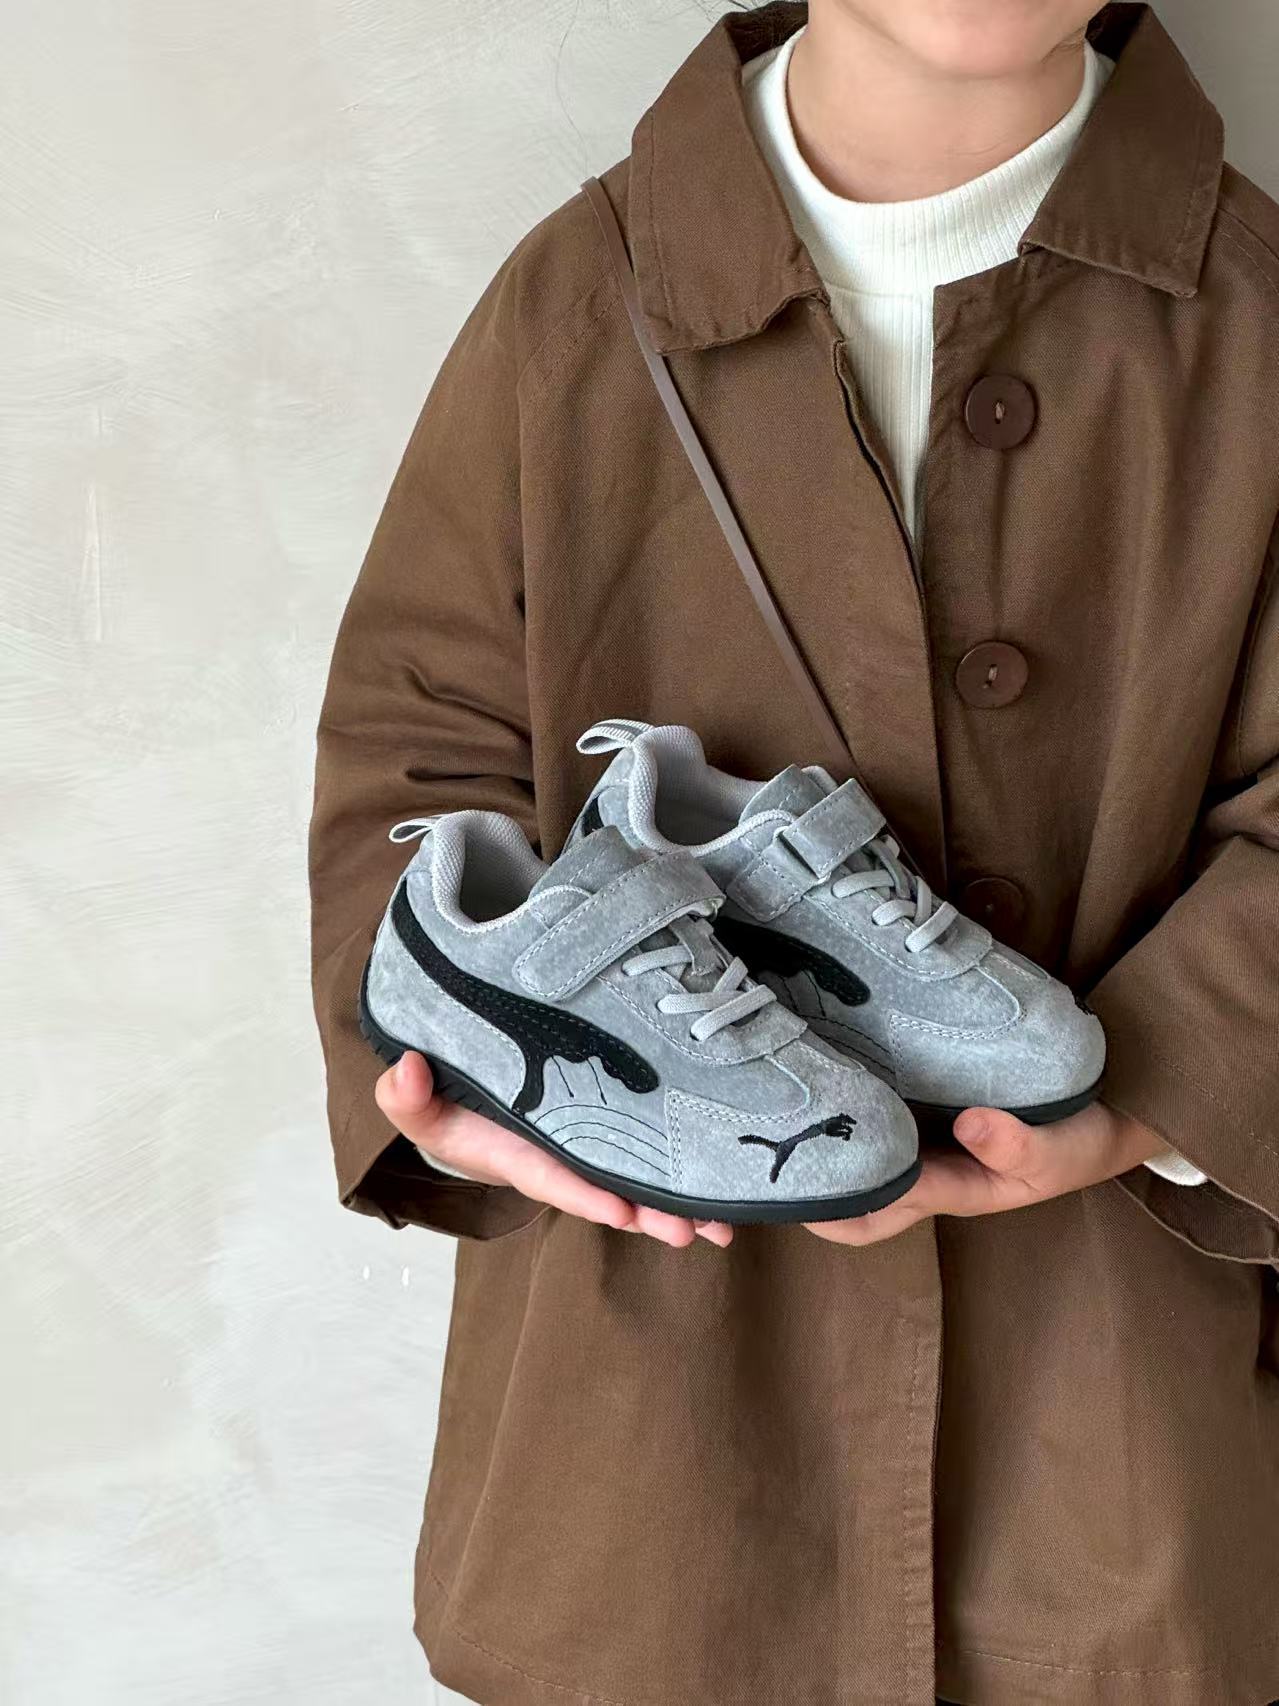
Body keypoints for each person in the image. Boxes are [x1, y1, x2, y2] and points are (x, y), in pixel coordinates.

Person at [306, 2, 1279, 1701]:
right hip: (655, 1449)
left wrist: (1153, 1091)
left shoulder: (1258, 322)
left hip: (1114, 1440)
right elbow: (413, 770)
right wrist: (475, 1073)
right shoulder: (580, 302)